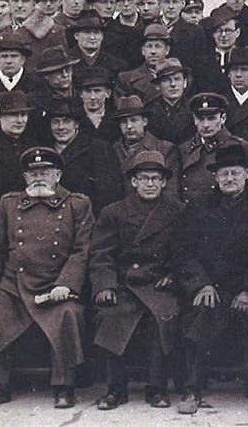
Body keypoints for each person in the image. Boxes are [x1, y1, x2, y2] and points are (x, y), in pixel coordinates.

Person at [0, 146, 93, 409]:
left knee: (67, 315)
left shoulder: (77, 204)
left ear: (57, 175)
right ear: (24, 178)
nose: (39, 178)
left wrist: (65, 284)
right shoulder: (9, 203)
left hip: (55, 286)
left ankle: (63, 385)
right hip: (14, 284)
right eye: (33, 173)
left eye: (45, 172)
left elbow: (82, 251)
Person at [173, 144, 248, 414]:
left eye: (235, 173)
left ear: (247, 174)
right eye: (223, 174)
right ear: (215, 177)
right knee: (201, 314)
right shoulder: (198, 209)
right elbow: (184, 252)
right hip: (213, 285)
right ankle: (193, 388)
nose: (229, 179)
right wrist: (202, 283)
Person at [88, 151, 184, 411]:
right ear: (133, 182)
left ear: (164, 182)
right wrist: (105, 285)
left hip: (159, 283)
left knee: (161, 316)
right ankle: (115, 389)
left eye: (156, 178)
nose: (150, 184)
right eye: (144, 178)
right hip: (123, 284)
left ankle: (157, 388)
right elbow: (101, 254)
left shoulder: (177, 211)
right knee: (112, 314)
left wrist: (173, 276)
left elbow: (185, 252)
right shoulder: (114, 212)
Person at [44, 97, 124, 214]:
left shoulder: (98, 149)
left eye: (67, 121)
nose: (61, 127)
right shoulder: (44, 151)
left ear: (76, 124)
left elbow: (109, 194)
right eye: (55, 122)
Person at [175, 93, 248, 206]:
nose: (206, 125)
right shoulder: (184, 149)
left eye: (211, 118)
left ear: (223, 118)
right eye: (201, 119)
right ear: (194, 119)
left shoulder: (241, 146)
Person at [111, 95, 180, 196]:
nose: (129, 126)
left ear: (144, 121)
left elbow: (171, 191)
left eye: (134, 120)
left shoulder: (165, 149)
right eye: (124, 122)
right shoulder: (112, 150)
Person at [0, 29, 47, 103]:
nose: (9, 61)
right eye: (4, 56)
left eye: (14, 56)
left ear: (23, 60)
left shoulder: (37, 84)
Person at [145, 58, 196, 144]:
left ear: (185, 83)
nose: (173, 84)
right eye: (166, 80)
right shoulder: (148, 111)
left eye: (177, 79)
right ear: (158, 85)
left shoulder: (194, 108)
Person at [117, 23, 171, 104]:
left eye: (158, 46)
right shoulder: (126, 79)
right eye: (149, 46)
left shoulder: (178, 78)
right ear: (143, 50)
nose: (153, 51)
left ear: (167, 50)